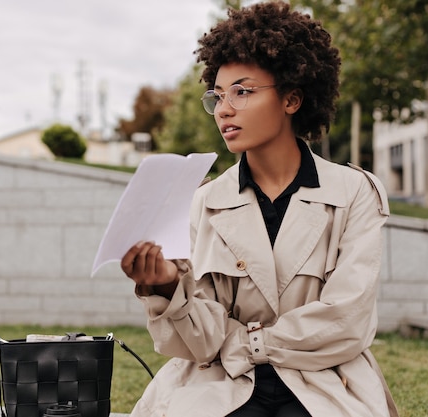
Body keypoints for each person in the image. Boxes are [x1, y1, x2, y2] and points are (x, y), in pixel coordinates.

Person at [121, 2, 399, 416]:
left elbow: (346, 322)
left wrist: (245, 343)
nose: (223, 109)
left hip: (324, 381)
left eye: (242, 91)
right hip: (220, 382)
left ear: (291, 98)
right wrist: (165, 287)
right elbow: (198, 344)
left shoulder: (354, 192)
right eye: (217, 96)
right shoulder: (203, 202)